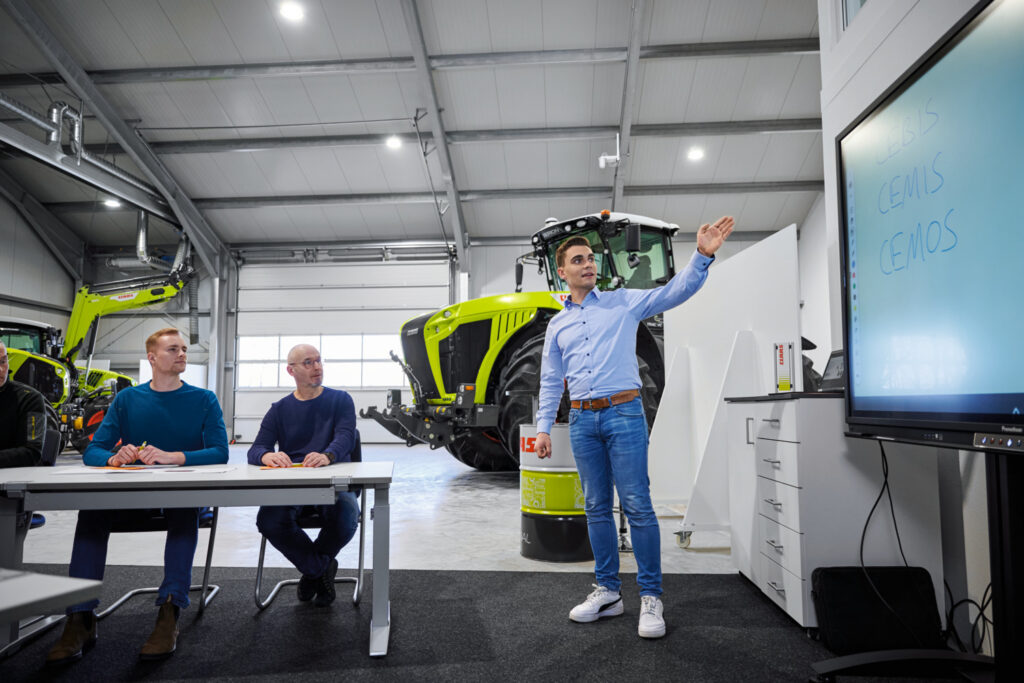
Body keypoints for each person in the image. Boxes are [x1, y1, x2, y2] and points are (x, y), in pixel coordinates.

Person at [534, 216, 734, 639]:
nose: (589, 264)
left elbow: (674, 292)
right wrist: (544, 427)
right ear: (563, 271)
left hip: (624, 414)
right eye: (578, 260)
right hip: (582, 419)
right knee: (595, 506)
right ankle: (608, 591)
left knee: (638, 505)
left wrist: (702, 256)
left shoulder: (623, 302)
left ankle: (650, 596)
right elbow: (551, 380)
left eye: (590, 258)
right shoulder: (557, 325)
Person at [46, 328, 228, 665]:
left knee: (184, 509)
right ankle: (80, 617)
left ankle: (170, 610)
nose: (182, 354)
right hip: (133, 496)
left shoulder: (204, 399)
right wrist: (114, 459)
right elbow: (93, 451)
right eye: (173, 349)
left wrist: (175, 457)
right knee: (92, 512)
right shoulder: (127, 399)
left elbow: (220, 452)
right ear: (152, 358)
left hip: (180, 495)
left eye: (184, 349)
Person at [247, 343, 360, 607]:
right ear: (291, 370)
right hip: (293, 482)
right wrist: (267, 456)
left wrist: (327, 455)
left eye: (318, 360)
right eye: (308, 362)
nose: (317, 367)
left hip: (334, 479)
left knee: (346, 516)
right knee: (269, 520)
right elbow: (256, 449)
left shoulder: (341, 400)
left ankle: (312, 572)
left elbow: (346, 436)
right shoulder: (279, 409)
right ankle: (319, 569)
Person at [0, 340, 47, 468]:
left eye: (3, 362)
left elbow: (32, 452)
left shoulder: (29, 399)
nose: (1, 370)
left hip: (14, 476)